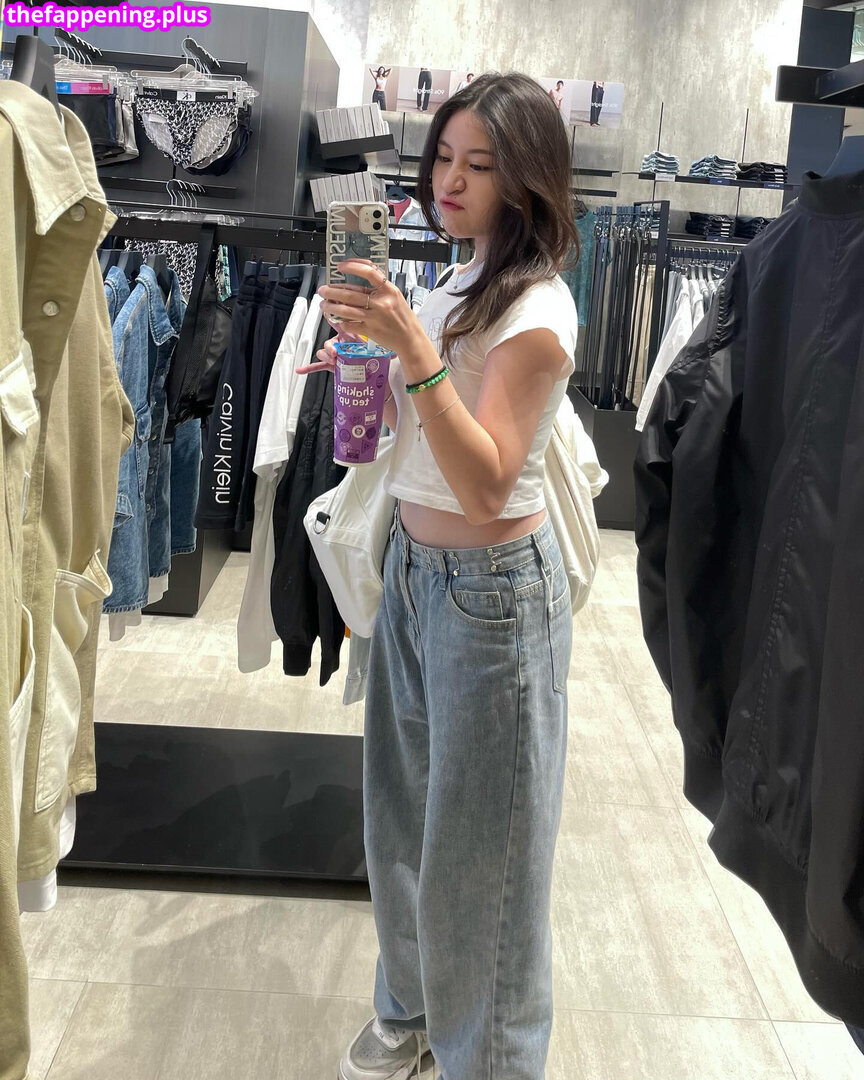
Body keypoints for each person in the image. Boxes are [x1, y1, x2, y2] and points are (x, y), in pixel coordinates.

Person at [299, 71, 580, 1080]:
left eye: (480, 165)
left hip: (493, 594)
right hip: (418, 575)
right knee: (402, 818)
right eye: (444, 159)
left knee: (485, 855)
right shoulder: (461, 277)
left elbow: (487, 481)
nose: (450, 182)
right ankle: (411, 1009)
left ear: (527, 179)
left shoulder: (539, 311)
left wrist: (414, 350)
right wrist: (369, 369)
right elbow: (431, 428)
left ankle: (488, 1060)